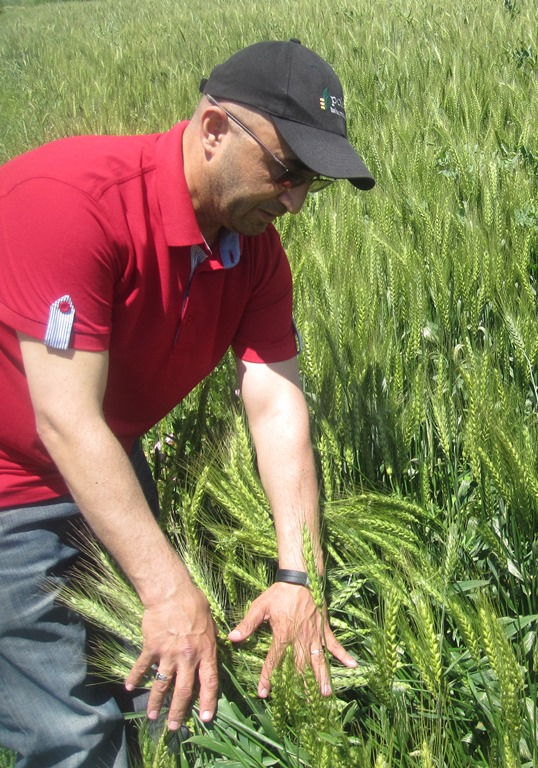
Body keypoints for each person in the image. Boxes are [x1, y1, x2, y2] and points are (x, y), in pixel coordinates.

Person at [0, 39, 375, 767]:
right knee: (75, 739)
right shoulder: (71, 204)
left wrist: (300, 576)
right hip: (10, 490)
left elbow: (276, 404)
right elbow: (66, 421)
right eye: (286, 170)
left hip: (106, 469)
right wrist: (170, 591)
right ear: (212, 131)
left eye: (313, 183)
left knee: (167, 710)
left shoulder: (255, 252)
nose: (296, 200)